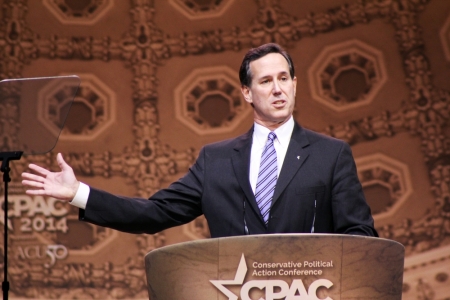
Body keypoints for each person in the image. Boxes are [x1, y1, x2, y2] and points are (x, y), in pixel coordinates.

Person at [22, 43, 378, 238]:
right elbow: (155, 213)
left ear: (295, 84)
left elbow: (360, 234)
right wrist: (78, 193)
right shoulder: (216, 160)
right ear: (247, 93)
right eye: (266, 81)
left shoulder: (331, 154)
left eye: (284, 78)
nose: (278, 88)